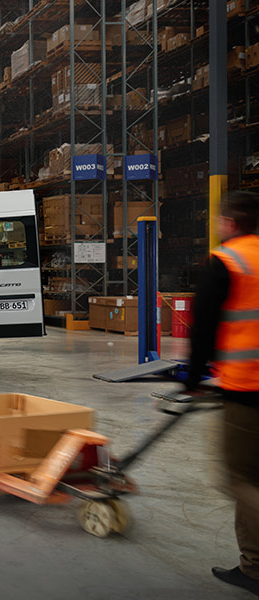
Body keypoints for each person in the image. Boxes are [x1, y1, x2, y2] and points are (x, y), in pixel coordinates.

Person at [186, 190, 259, 595]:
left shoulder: (227, 261)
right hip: (247, 382)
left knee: (239, 479)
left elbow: (204, 328)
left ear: (230, 223)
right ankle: (253, 568)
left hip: (247, 387)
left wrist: (194, 379)